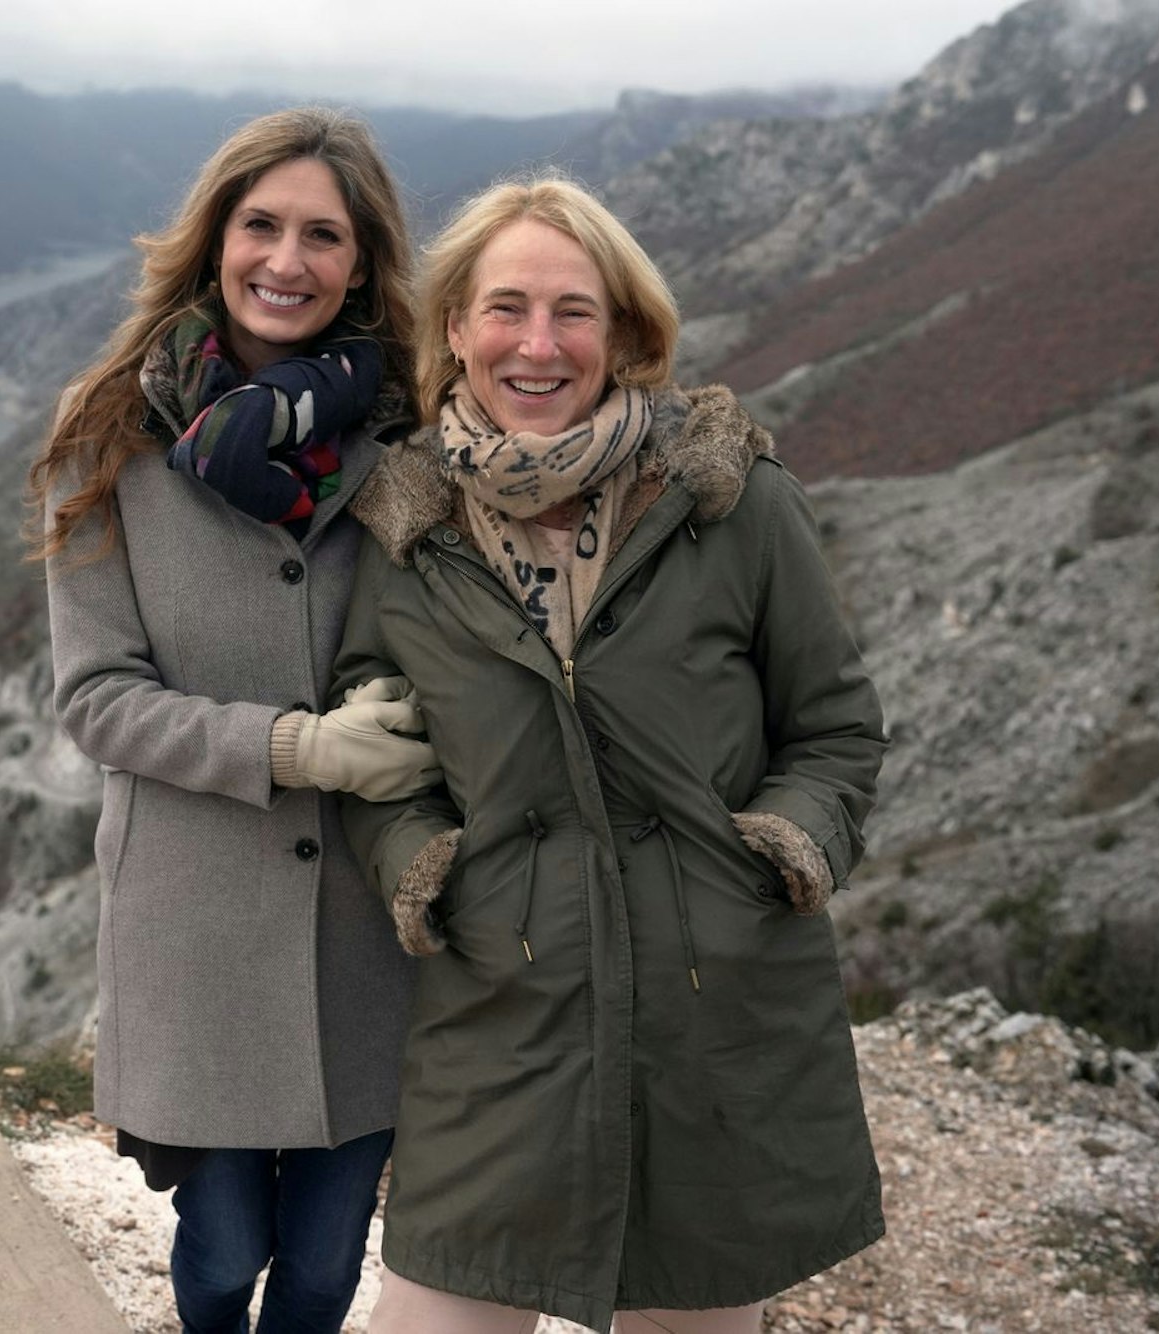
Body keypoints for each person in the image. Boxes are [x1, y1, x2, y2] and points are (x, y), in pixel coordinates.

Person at [335, 175, 889, 1334]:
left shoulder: (729, 501)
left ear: (624, 331)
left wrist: (780, 849)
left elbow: (832, 725)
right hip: (502, 1005)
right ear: (453, 328)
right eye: (505, 308)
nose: (537, 343)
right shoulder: (404, 532)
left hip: (712, 1012)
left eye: (572, 311)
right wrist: (424, 863)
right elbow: (375, 750)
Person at [30, 108, 435, 1334]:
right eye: (261, 224)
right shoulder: (106, 436)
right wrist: (289, 746)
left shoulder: (408, 436)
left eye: (323, 234)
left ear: (361, 262)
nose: (287, 259)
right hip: (192, 927)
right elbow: (95, 698)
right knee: (219, 1254)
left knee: (320, 1268)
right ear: (214, 241)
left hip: (362, 930)